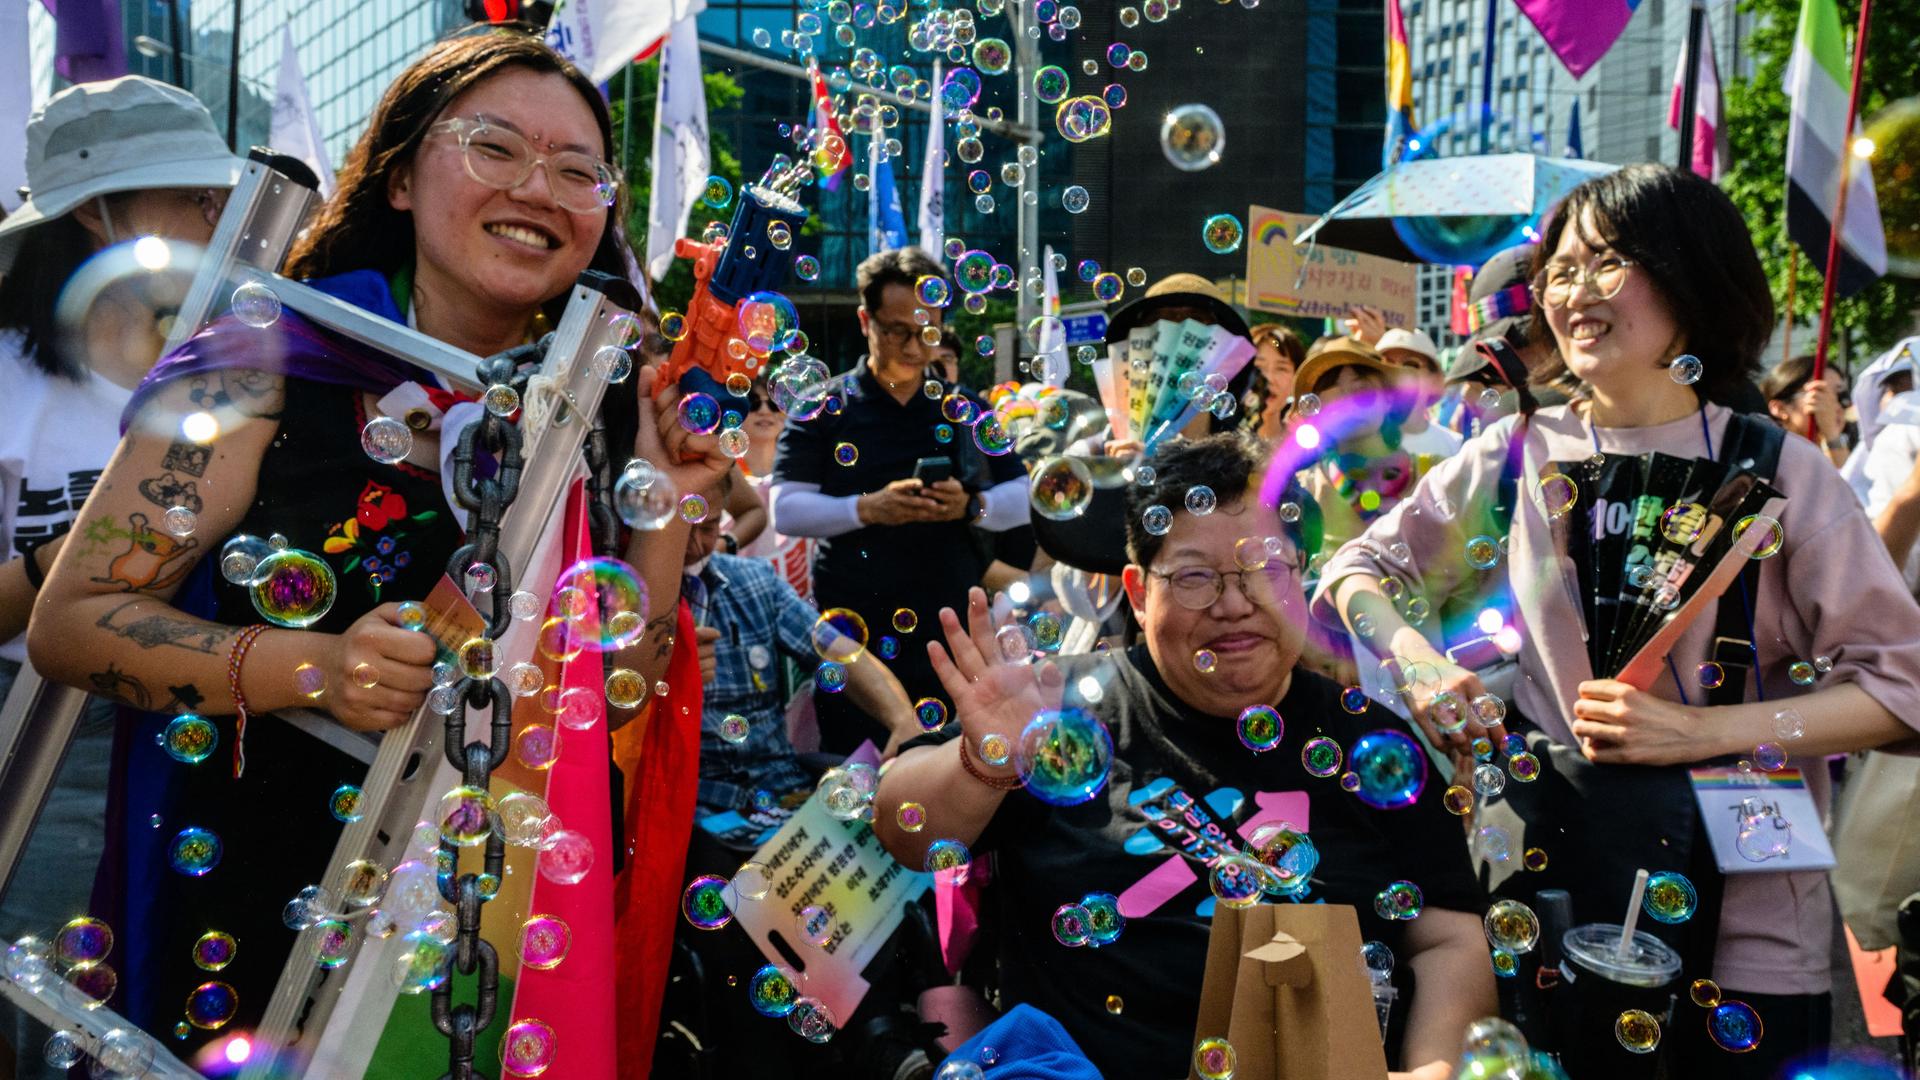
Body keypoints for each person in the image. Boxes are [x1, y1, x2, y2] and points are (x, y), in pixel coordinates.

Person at [26, 32, 723, 1060]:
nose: (540, 186)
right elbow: (72, 626)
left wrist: (665, 505)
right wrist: (322, 666)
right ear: (398, 175)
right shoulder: (261, 363)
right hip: (249, 911)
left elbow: (617, 684)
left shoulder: (594, 410)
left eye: (577, 170)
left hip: (477, 930)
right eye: (493, 147)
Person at [1315, 164, 1920, 1077]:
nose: (1571, 292)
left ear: (1688, 274)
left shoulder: (1784, 470)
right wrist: (1419, 660)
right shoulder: (1515, 454)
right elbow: (1360, 568)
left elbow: (1902, 686)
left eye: (1606, 264)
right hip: (1553, 883)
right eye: (1558, 269)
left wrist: (1703, 730)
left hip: (1752, 918)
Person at [873, 434, 1494, 1080]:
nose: (1234, 604)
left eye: (1264, 568)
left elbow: (1449, 935)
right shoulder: (1057, 716)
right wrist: (985, 764)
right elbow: (905, 830)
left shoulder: (1368, 737)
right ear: (1139, 594)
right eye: (1195, 576)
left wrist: (1434, 1070)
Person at [0, 74, 242, 1079]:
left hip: (210, 721)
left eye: (219, 192)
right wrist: (100, 553)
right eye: (191, 194)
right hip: (46, 733)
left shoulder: (239, 364)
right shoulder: (12, 380)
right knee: (51, 1025)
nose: (218, 217)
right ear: (96, 213)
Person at [770, 246, 1028, 753]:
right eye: (897, 331)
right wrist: (867, 508)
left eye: (927, 332)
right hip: (855, 633)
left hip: (949, 624)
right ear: (865, 319)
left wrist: (971, 506)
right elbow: (786, 507)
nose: (914, 347)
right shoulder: (825, 406)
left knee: (955, 765)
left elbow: (1024, 495)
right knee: (858, 769)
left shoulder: (964, 408)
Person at [682, 472, 919, 845]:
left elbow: (838, 651)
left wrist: (903, 721)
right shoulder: (631, 604)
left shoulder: (753, 582)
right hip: (691, 810)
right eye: (681, 530)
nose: (696, 547)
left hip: (783, 791)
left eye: (709, 528)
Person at [730, 374, 814, 601]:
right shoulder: (723, 473)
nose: (765, 411)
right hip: (740, 595)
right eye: (753, 403)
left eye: (775, 404)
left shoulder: (803, 473)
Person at [1376, 327, 1464, 460]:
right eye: (1387, 364)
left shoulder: (1456, 447)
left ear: (1433, 378)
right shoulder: (1357, 444)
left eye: (1411, 365)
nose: (1398, 372)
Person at [1761, 354, 1850, 466]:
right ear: (1780, 408)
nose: (1833, 406)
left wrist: (1832, 436)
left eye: (1840, 395)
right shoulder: (1768, 460)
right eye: (1820, 396)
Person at [1241, 322, 1302, 443]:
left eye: (1281, 368)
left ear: (1296, 377)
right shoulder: (1221, 438)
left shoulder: (1303, 445)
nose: (1269, 378)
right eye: (1258, 367)